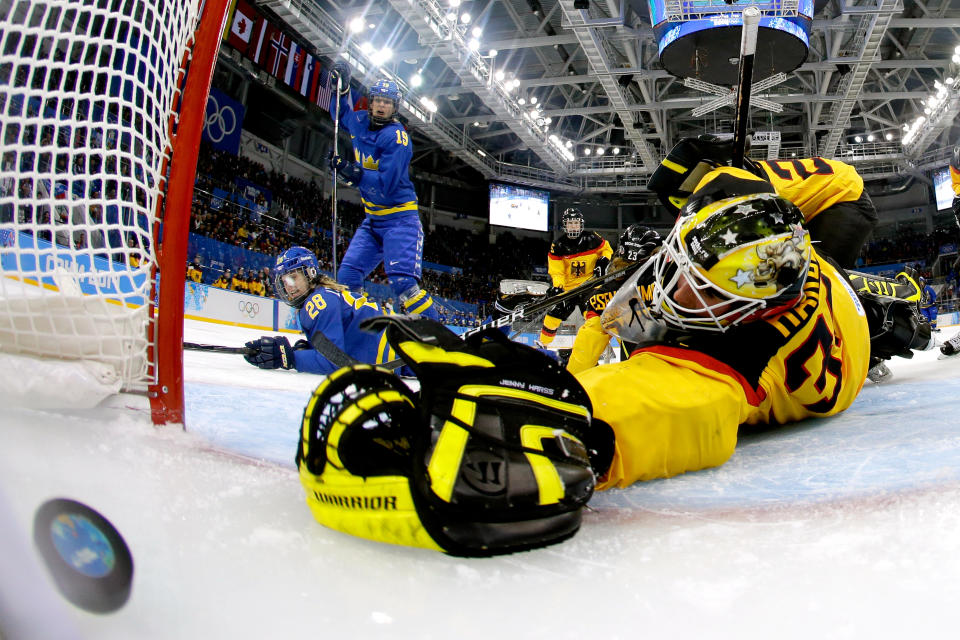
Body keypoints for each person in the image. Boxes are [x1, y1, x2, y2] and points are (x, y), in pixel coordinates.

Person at [292, 167, 873, 556]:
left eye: (698, 288)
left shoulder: (726, 368)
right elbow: (842, 185)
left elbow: (648, 409)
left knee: (891, 318)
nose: (676, 288)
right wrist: (717, 191)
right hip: (831, 305)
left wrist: (558, 420)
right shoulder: (770, 249)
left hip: (850, 346)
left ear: (738, 308)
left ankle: (891, 308)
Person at [647, 134, 877, 269]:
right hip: (828, 195)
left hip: (844, 196)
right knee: (797, 268)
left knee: (822, 274)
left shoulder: (725, 181)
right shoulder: (733, 177)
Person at [326, 60, 439, 321]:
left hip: (400, 219)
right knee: (347, 276)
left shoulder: (397, 138)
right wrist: (340, 91)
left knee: (403, 284)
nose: (380, 105)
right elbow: (339, 116)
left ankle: (438, 335)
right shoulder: (359, 121)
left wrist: (353, 173)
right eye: (377, 100)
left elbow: (386, 186)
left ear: (394, 108)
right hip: (374, 220)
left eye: (387, 102)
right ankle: (357, 327)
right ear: (370, 101)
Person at [243, 246, 397, 374]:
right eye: (284, 281)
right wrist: (306, 350)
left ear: (310, 273)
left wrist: (289, 357)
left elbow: (334, 362)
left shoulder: (318, 301)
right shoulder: (322, 295)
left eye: (293, 277)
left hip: (404, 349)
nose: (288, 286)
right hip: (404, 343)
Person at [565, 224, 661, 375]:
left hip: (635, 378)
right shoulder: (670, 280)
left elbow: (588, 346)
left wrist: (572, 380)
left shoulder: (609, 292)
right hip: (676, 375)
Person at [538, 207, 613, 358]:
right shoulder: (558, 245)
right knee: (554, 314)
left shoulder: (592, 238)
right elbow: (557, 271)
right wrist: (558, 287)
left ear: (581, 224)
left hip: (591, 285)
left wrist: (603, 262)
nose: (573, 226)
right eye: (570, 223)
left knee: (593, 315)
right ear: (565, 225)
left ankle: (601, 347)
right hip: (570, 288)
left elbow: (607, 250)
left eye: (576, 223)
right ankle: (543, 344)